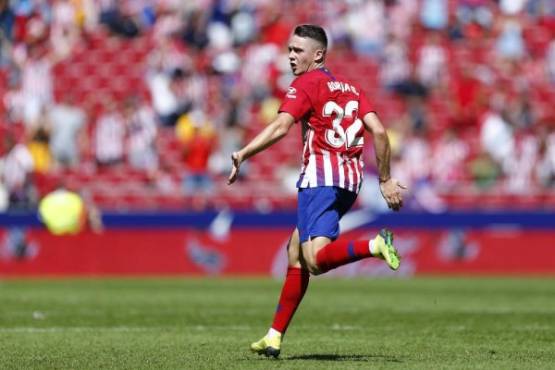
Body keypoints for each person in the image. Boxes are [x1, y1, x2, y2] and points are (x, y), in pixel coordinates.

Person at [227, 24, 406, 358]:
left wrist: (243, 153)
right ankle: (274, 336)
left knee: (315, 260)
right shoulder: (352, 89)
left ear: (318, 54)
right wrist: (384, 180)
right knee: (295, 251)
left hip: (319, 180)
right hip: (350, 183)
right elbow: (379, 131)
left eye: (298, 50)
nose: (291, 56)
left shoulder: (306, 84)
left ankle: (375, 244)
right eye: (290, 50)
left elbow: (282, 126)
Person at [38, 188, 103, 235]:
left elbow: (41, 219)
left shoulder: (46, 200)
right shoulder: (75, 199)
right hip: (73, 235)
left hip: (52, 234)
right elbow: (82, 218)